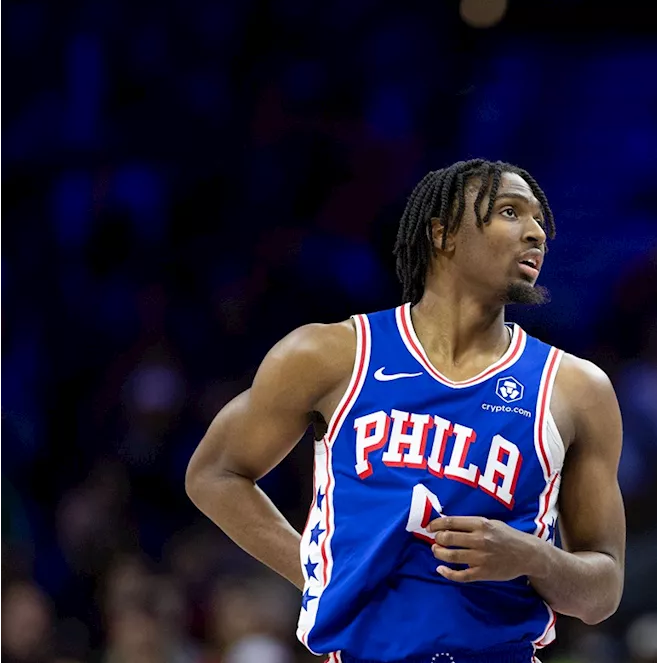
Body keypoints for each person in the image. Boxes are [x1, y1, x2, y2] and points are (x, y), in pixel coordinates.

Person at [186, 159, 626, 662]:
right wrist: (320, 572)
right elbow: (215, 474)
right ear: (442, 234)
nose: (535, 234)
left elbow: (603, 592)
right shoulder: (332, 355)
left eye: (539, 224)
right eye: (510, 212)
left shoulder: (575, 388)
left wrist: (532, 557)